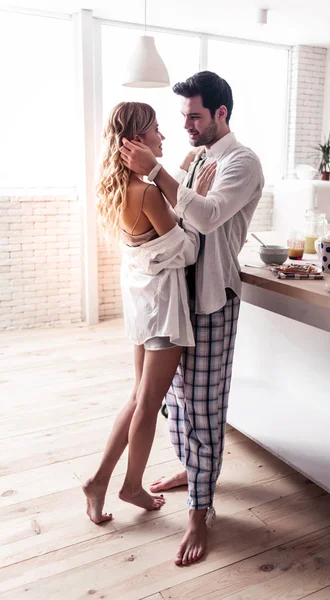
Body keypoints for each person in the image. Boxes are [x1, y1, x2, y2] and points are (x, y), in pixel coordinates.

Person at [119, 71, 265, 567]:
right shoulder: (199, 155)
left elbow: (203, 217)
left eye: (195, 116)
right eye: (182, 117)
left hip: (211, 300)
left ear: (221, 113)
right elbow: (179, 218)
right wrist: (167, 174)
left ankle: (200, 509)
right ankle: (193, 470)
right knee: (176, 401)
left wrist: (159, 171)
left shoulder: (241, 161)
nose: (186, 125)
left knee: (203, 406)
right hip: (179, 299)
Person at [83, 101, 216, 523]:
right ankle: (130, 484)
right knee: (149, 403)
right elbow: (189, 249)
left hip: (143, 309)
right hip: (163, 312)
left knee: (137, 396)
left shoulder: (123, 187)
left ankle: (99, 480)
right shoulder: (148, 192)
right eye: (158, 129)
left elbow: (158, 235)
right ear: (138, 140)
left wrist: (174, 169)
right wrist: (203, 199)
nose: (165, 135)